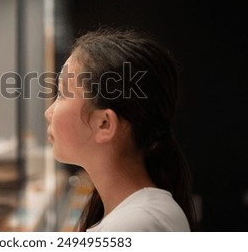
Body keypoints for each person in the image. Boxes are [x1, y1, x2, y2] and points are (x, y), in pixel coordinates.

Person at [45, 27, 196, 231]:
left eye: (63, 93)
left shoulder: (136, 223)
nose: (49, 113)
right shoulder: (136, 214)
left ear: (104, 124)